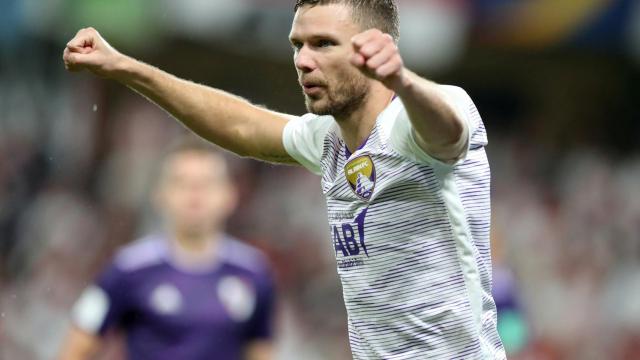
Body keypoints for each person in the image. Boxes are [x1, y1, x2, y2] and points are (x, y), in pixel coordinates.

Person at [62, 0, 506, 358]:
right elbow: (240, 127)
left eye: (324, 44)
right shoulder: (327, 138)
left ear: (376, 48)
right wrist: (126, 68)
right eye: (298, 45)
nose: (304, 61)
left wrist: (402, 80)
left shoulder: (422, 116)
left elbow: (447, 134)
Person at [57, 139, 275, 360]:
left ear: (230, 195)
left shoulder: (254, 272)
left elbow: (261, 352)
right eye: (182, 183)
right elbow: (76, 348)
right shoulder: (127, 268)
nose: (195, 194)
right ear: (160, 194)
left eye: (207, 183)